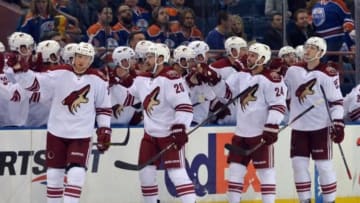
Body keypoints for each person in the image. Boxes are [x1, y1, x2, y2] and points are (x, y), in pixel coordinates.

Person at [7, 42, 112, 203]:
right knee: (54, 176)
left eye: (86, 58)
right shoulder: (59, 73)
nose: (81, 61)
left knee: (76, 174)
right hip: (56, 133)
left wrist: (104, 129)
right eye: (79, 56)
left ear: (91, 60)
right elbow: (34, 84)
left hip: (81, 135)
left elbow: (103, 107)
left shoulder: (98, 79)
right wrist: (20, 70)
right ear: (74, 57)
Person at [201, 42, 287, 203]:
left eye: (253, 55)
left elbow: (278, 106)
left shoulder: (272, 79)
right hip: (241, 134)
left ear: (262, 59)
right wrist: (215, 80)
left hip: (260, 134)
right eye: (249, 54)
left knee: (266, 173)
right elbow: (226, 94)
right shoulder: (242, 75)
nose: (248, 57)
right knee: (234, 172)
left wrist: (271, 126)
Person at [123, 43, 197, 203]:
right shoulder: (142, 78)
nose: (146, 60)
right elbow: (127, 98)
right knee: (145, 175)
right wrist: (116, 81)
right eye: (147, 56)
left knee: (177, 173)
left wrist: (180, 128)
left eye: (150, 57)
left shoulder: (171, 78)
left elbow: (184, 107)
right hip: (149, 135)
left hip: (169, 135)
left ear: (161, 58)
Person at [284, 36, 344, 203]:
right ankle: (304, 201)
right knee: (298, 165)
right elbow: (282, 91)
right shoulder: (293, 70)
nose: (308, 50)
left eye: (312, 48)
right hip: (299, 127)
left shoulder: (328, 73)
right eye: (307, 46)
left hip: (320, 127)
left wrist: (338, 124)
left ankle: (329, 201)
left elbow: (337, 102)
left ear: (321, 52)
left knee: (324, 167)